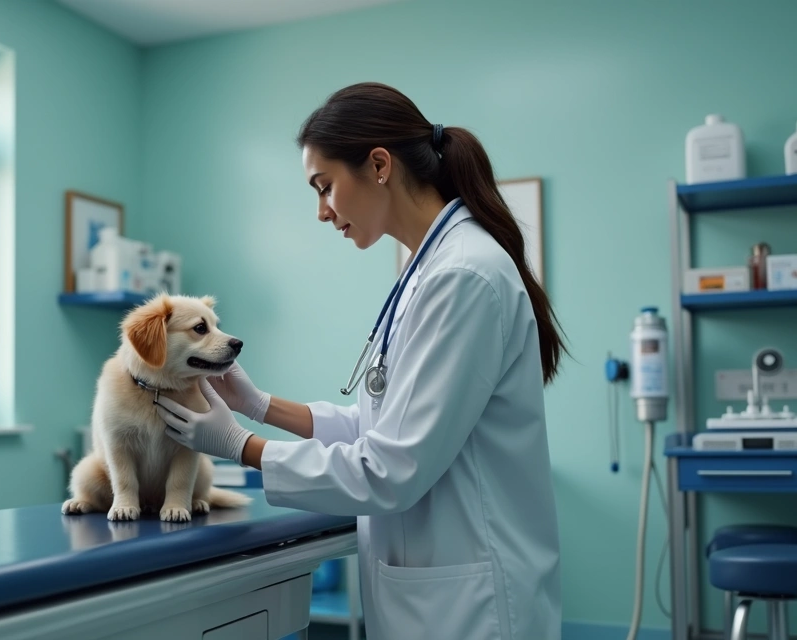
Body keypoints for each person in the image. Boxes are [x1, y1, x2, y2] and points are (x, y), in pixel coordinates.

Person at [154, 82, 565, 640]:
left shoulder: (462, 276)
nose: (322, 212)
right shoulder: (430, 270)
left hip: (473, 607)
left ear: (378, 165)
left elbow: (388, 468)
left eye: (325, 187)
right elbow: (381, 426)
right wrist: (260, 406)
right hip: (437, 593)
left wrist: (238, 445)